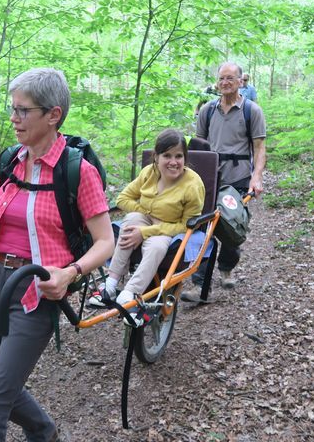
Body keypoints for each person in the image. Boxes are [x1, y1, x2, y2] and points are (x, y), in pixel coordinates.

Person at [0, 68, 114, 442]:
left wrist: (69, 273)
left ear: (53, 115)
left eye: (23, 110)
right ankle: (43, 431)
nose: (13, 119)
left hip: (36, 292)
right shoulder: (10, 160)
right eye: (11, 109)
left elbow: (106, 241)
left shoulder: (78, 171)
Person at [87, 129, 205, 321]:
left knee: (156, 245)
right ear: (156, 157)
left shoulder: (193, 184)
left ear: (185, 158)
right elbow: (123, 198)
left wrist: (146, 232)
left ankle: (129, 293)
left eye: (179, 156)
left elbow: (187, 225)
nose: (173, 162)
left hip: (170, 229)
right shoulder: (149, 173)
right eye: (167, 155)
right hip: (147, 219)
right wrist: (147, 214)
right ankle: (111, 283)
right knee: (132, 219)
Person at [182, 62, 266, 301]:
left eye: (230, 78)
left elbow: (260, 148)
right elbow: (198, 147)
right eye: (222, 79)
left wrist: (256, 176)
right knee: (201, 228)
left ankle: (227, 267)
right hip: (208, 178)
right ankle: (200, 284)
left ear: (241, 81)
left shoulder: (252, 111)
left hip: (238, 178)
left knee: (231, 227)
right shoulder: (207, 111)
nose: (225, 83)